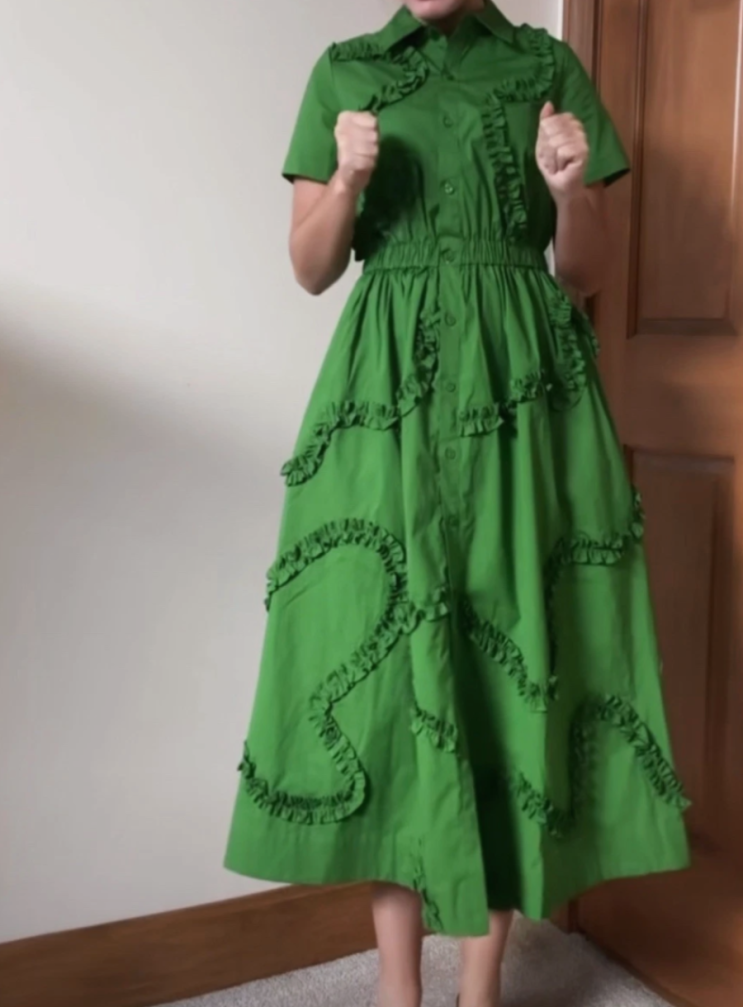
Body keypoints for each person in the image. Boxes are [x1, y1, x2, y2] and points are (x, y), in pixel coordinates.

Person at [225, 2, 690, 1005]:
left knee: (509, 655)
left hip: (522, 390)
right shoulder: (344, 69)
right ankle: (397, 989)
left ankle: (478, 989)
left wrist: (567, 193)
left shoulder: (543, 66)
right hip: (386, 394)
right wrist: (346, 182)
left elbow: (585, 273)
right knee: (389, 672)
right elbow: (309, 268)